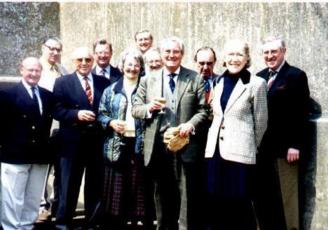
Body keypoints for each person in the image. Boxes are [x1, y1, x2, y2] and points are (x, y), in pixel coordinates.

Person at [132, 36, 207, 230]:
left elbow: (203, 111)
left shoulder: (195, 78)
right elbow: (135, 109)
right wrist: (149, 107)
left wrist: (190, 124)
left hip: (186, 146)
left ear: (182, 54)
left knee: (186, 196)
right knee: (162, 196)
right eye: (167, 52)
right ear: (161, 54)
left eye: (176, 52)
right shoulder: (148, 80)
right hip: (158, 147)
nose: (171, 55)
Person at [204, 39, 268, 230]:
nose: (234, 59)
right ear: (224, 58)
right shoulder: (218, 81)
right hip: (215, 152)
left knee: (239, 205)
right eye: (230, 54)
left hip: (240, 155)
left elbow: (261, 122)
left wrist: (249, 147)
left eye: (239, 54)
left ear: (247, 58)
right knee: (215, 203)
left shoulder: (256, 84)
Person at [254, 36, 310, 230]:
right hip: (262, 151)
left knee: (288, 198)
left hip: (285, 151)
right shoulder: (258, 77)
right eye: (266, 52)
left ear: (283, 52)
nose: (270, 56)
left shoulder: (296, 76)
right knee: (265, 199)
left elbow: (301, 113)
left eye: (274, 52)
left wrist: (296, 144)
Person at [53, 47, 110, 229]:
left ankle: (92, 222)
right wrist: (76, 114)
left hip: (96, 142)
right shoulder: (62, 82)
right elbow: (56, 110)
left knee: (95, 185)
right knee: (69, 184)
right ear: (73, 62)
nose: (84, 63)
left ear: (92, 61)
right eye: (80, 60)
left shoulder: (103, 82)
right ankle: (63, 223)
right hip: (72, 142)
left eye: (87, 59)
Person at [98, 49, 149, 229]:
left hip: (140, 142)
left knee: (138, 185)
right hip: (117, 143)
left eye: (136, 65)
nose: (132, 68)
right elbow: (101, 114)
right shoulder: (111, 90)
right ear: (122, 66)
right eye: (129, 64)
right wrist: (111, 122)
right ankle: (116, 223)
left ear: (141, 67)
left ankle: (137, 221)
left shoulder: (147, 87)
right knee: (118, 187)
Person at [0, 57, 54, 230]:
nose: (33, 74)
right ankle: (10, 228)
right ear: (21, 70)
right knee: (12, 198)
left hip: (39, 156)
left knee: (32, 198)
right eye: (30, 70)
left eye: (37, 70)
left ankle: (26, 227)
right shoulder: (7, 94)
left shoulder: (47, 95)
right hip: (14, 155)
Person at [37, 37, 68, 222]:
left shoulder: (62, 69)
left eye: (58, 49)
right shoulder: (36, 69)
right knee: (42, 168)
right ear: (43, 48)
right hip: (44, 127)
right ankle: (41, 205)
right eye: (51, 49)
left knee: (59, 169)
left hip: (61, 128)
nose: (55, 52)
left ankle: (56, 205)